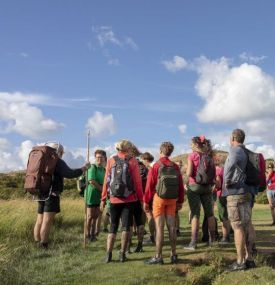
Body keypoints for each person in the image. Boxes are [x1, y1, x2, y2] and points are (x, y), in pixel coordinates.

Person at [33, 142, 90, 249]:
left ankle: (37, 242)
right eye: (62, 152)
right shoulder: (57, 161)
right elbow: (70, 174)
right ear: (59, 151)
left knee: (39, 219)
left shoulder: (42, 160)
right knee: (47, 220)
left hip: (41, 192)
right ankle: (44, 245)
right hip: (52, 194)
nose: (62, 154)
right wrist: (83, 168)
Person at [100, 140, 143, 263]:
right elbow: (137, 183)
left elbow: (106, 181)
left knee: (112, 227)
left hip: (113, 199)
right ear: (128, 148)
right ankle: (122, 254)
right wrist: (141, 199)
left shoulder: (111, 160)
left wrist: (103, 198)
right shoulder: (132, 161)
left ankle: (108, 255)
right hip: (129, 199)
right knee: (125, 228)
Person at [144, 142, 184, 265]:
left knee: (159, 228)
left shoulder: (156, 166)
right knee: (172, 227)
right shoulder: (175, 166)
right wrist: (180, 200)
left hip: (159, 199)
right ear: (170, 152)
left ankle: (158, 256)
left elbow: (150, 186)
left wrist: (146, 201)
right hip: (172, 199)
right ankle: (174, 255)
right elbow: (180, 185)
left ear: (160, 151)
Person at [222, 129, 255, 271]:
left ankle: (240, 261)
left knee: (237, 227)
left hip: (235, 193)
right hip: (247, 192)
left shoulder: (235, 150)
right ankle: (250, 259)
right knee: (247, 224)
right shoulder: (248, 152)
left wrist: (227, 180)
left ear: (234, 137)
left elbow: (231, 163)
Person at [184, 136, 216, 250]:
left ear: (196, 145)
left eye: (192, 143)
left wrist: (185, 177)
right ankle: (213, 240)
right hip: (207, 187)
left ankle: (193, 242)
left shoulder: (192, 155)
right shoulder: (209, 157)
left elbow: (189, 173)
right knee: (210, 214)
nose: (190, 145)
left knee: (195, 214)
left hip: (194, 186)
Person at [84, 149, 106, 241]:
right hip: (91, 195)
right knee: (89, 216)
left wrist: (104, 192)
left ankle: (93, 235)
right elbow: (91, 181)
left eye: (101, 157)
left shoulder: (104, 169)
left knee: (96, 216)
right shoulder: (92, 167)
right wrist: (102, 190)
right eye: (97, 157)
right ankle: (87, 235)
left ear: (104, 158)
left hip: (99, 196)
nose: (99, 159)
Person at [214, 154, 231, 244]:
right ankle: (229, 234)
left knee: (223, 216)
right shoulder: (225, 169)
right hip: (229, 193)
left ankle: (225, 237)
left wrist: (213, 185)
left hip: (221, 194)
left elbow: (218, 185)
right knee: (228, 216)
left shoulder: (217, 171)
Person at [140, 152, 155, 244]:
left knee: (149, 215)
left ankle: (152, 236)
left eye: (142, 160)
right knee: (152, 215)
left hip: (147, 194)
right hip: (154, 195)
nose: (142, 162)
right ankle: (154, 235)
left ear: (146, 159)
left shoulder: (147, 169)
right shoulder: (156, 167)